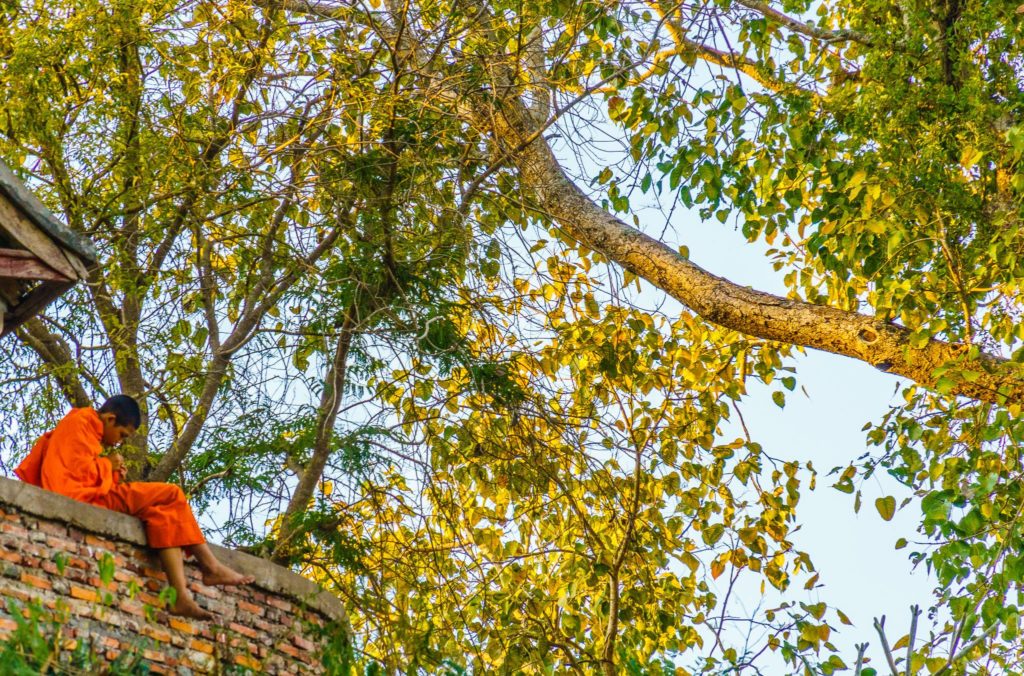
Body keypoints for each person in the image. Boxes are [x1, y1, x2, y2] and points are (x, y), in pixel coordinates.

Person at [14, 395, 253, 620]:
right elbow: (69, 481)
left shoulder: (87, 429)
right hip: (82, 501)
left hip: (89, 496)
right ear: (109, 419)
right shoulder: (80, 421)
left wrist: (111, 470)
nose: (120, 440)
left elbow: (82, 472)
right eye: (122, 434)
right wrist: (108, 464)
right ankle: (210, 567)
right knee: (171, 494)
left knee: (162, 513)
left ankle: (180, 595)